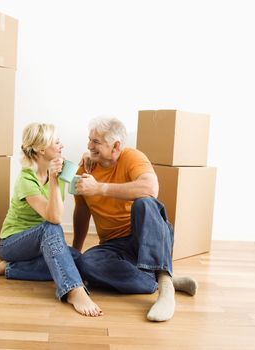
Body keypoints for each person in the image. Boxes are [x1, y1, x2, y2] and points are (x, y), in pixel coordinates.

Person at [72, 116, 198, 322]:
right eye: (89, 140)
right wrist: (76, 253)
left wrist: (100, 188)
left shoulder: (132, 157)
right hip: (113, 246)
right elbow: (81, 213)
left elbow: (151, 188)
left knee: (145, 203)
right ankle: (158, 279)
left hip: (145, 236)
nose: (88, 146)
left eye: (95, 142)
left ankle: (166, 289)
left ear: (116, 146)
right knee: (87, 263)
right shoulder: (84, 171)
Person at [0, 123, 103, 317]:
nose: (62, 145)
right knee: (51, 228)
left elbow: (82, 167)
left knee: (79, 260)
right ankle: (74, 291)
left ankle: (11, 268)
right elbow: (54, 218)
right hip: (12, 243)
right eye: (57, 142)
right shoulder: (26, 180)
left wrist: (88, 156)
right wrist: (54, 180)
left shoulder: (60, 167)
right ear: (40, 149)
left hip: (42, 243)